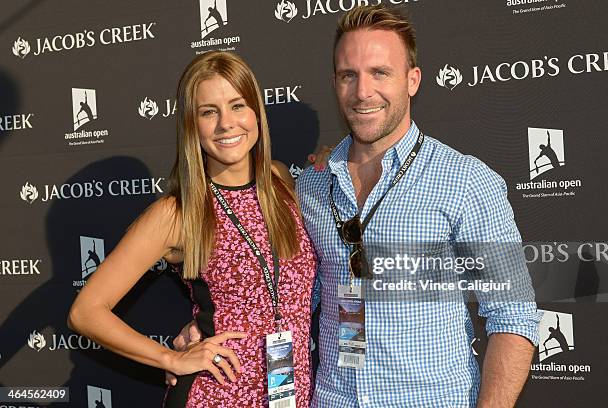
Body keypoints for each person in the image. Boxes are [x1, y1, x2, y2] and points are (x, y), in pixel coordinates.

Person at [173, 5, 541, 407]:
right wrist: (212, 327)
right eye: (350, 75)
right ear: (335, 83)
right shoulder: (310, 186)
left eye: (380, 72)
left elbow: (513, 317)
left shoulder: (466, 181)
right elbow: (293, 292)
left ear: (412, 80)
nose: (363, 91)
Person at [68, 51, 317, 407]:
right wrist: (168, 358)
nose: (226, 124)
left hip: (290, 394)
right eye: (208, 112)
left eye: (237, 105)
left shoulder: (279, 180)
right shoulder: (177, 213)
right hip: (215, 395)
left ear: (256, 113)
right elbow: (85, 311)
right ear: (190, 124)